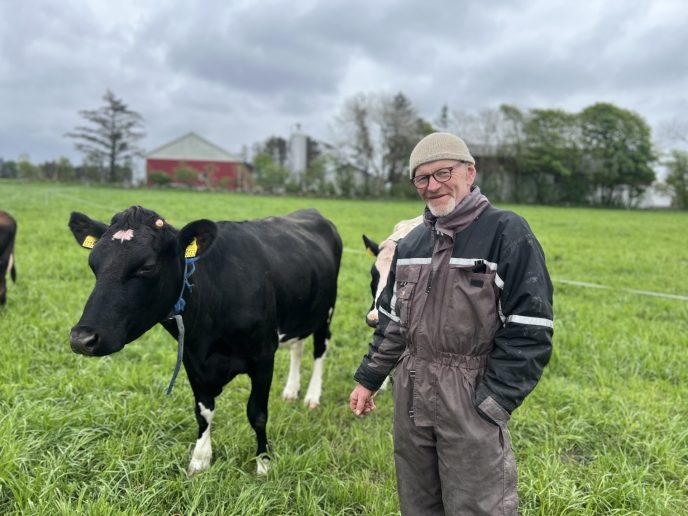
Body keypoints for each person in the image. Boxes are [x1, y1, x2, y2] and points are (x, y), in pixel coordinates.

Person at [349, 132, 554, 515]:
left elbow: (531, 327)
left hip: (469, 394)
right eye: (422, 179)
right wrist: (368, 378)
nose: (433, 185)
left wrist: (494, 402)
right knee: (419, 503)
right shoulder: (410, 246)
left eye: (443, 172)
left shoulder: (506, 233)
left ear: (469, 172)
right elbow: (393, 322)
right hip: (411, 394)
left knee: (477, 505)